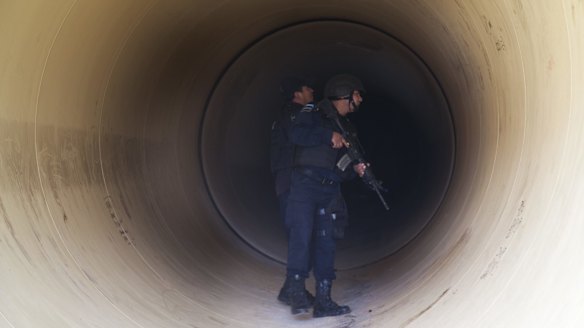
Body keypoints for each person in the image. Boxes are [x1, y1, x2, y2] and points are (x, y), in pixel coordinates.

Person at [281, 74, 367, 318]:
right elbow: (296, 134)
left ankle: (324, 300)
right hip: (305, 184)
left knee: (326, 242)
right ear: (344, 93)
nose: (360, 99)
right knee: (301, 234)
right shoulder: (314, 112)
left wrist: (356, 169)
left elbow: (343, 165)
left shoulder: (349, 128)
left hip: (330, 190)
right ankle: (296, 292)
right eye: (357, 94)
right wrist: (327, 136)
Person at [270, 76, 316, 305]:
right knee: (301, 232)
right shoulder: (295, 114)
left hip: (287, 179)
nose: (312, 91)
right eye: (308, 88)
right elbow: (304, 140)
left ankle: (290, 289)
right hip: (291, 180)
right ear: (298, 93)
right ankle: (295, 288)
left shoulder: (286, 115)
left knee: (302, 234)